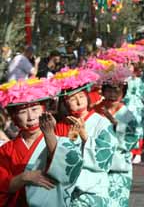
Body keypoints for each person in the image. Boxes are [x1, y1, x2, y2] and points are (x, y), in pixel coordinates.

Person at [0, 78, 83, 207]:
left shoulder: (62, 132)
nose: (30, 117)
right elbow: (2, 185)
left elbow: (71, 167)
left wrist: (49, 135)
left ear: (44, 109)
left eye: (34, 109)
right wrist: (24, 177)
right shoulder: (5, 150)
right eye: (22, 112)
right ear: (14, 117)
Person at [55, 77, 118, 206]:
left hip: (94, 188)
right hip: (67, 189)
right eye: (72, 99)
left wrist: (85, 137)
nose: (78, 101)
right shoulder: (61, 125)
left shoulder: (102, 122)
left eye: (81, 96)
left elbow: (105, 157)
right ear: (65, 103)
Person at [96, 79, 139, 207]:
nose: (112, 95)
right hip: (96, 162)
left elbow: (134, 137)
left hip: (119, 163)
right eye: (109, 91)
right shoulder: (95, 109)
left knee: (116, 200)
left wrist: (115, 123)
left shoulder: (127, 113)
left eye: (117, 91)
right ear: (103, 92)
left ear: (123, 94)